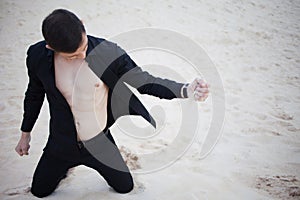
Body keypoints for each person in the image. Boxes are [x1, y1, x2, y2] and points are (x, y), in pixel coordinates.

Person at [15, 9, 209, 198]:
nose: (82, 56)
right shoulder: (37, 56)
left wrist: (186, 89)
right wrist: (25, 134)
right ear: (50, 47)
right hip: (61, 142)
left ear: (82, 25)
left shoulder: (108, 52)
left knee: (124, 187)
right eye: (73, 56)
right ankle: (65, 166)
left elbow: (144, 82)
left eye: (83, 48)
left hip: (99, 142)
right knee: (39, 192)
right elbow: (34, 94)